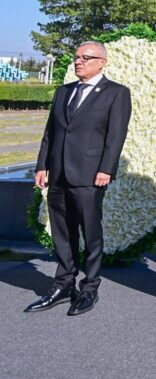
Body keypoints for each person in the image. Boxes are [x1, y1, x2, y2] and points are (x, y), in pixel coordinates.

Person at [26, 41, 132, 316]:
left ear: (102, 62)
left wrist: (106, 169)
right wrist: (42, 165)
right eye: (76, 57)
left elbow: (115, 136)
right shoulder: (64, 91)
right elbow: (51, 132)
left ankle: (90, 287)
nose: (79, 61)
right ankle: (63, 284)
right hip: (58, 174)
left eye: (86, 57)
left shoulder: (116, 93)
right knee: (62, 231)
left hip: (90, 175)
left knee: (90, 232)